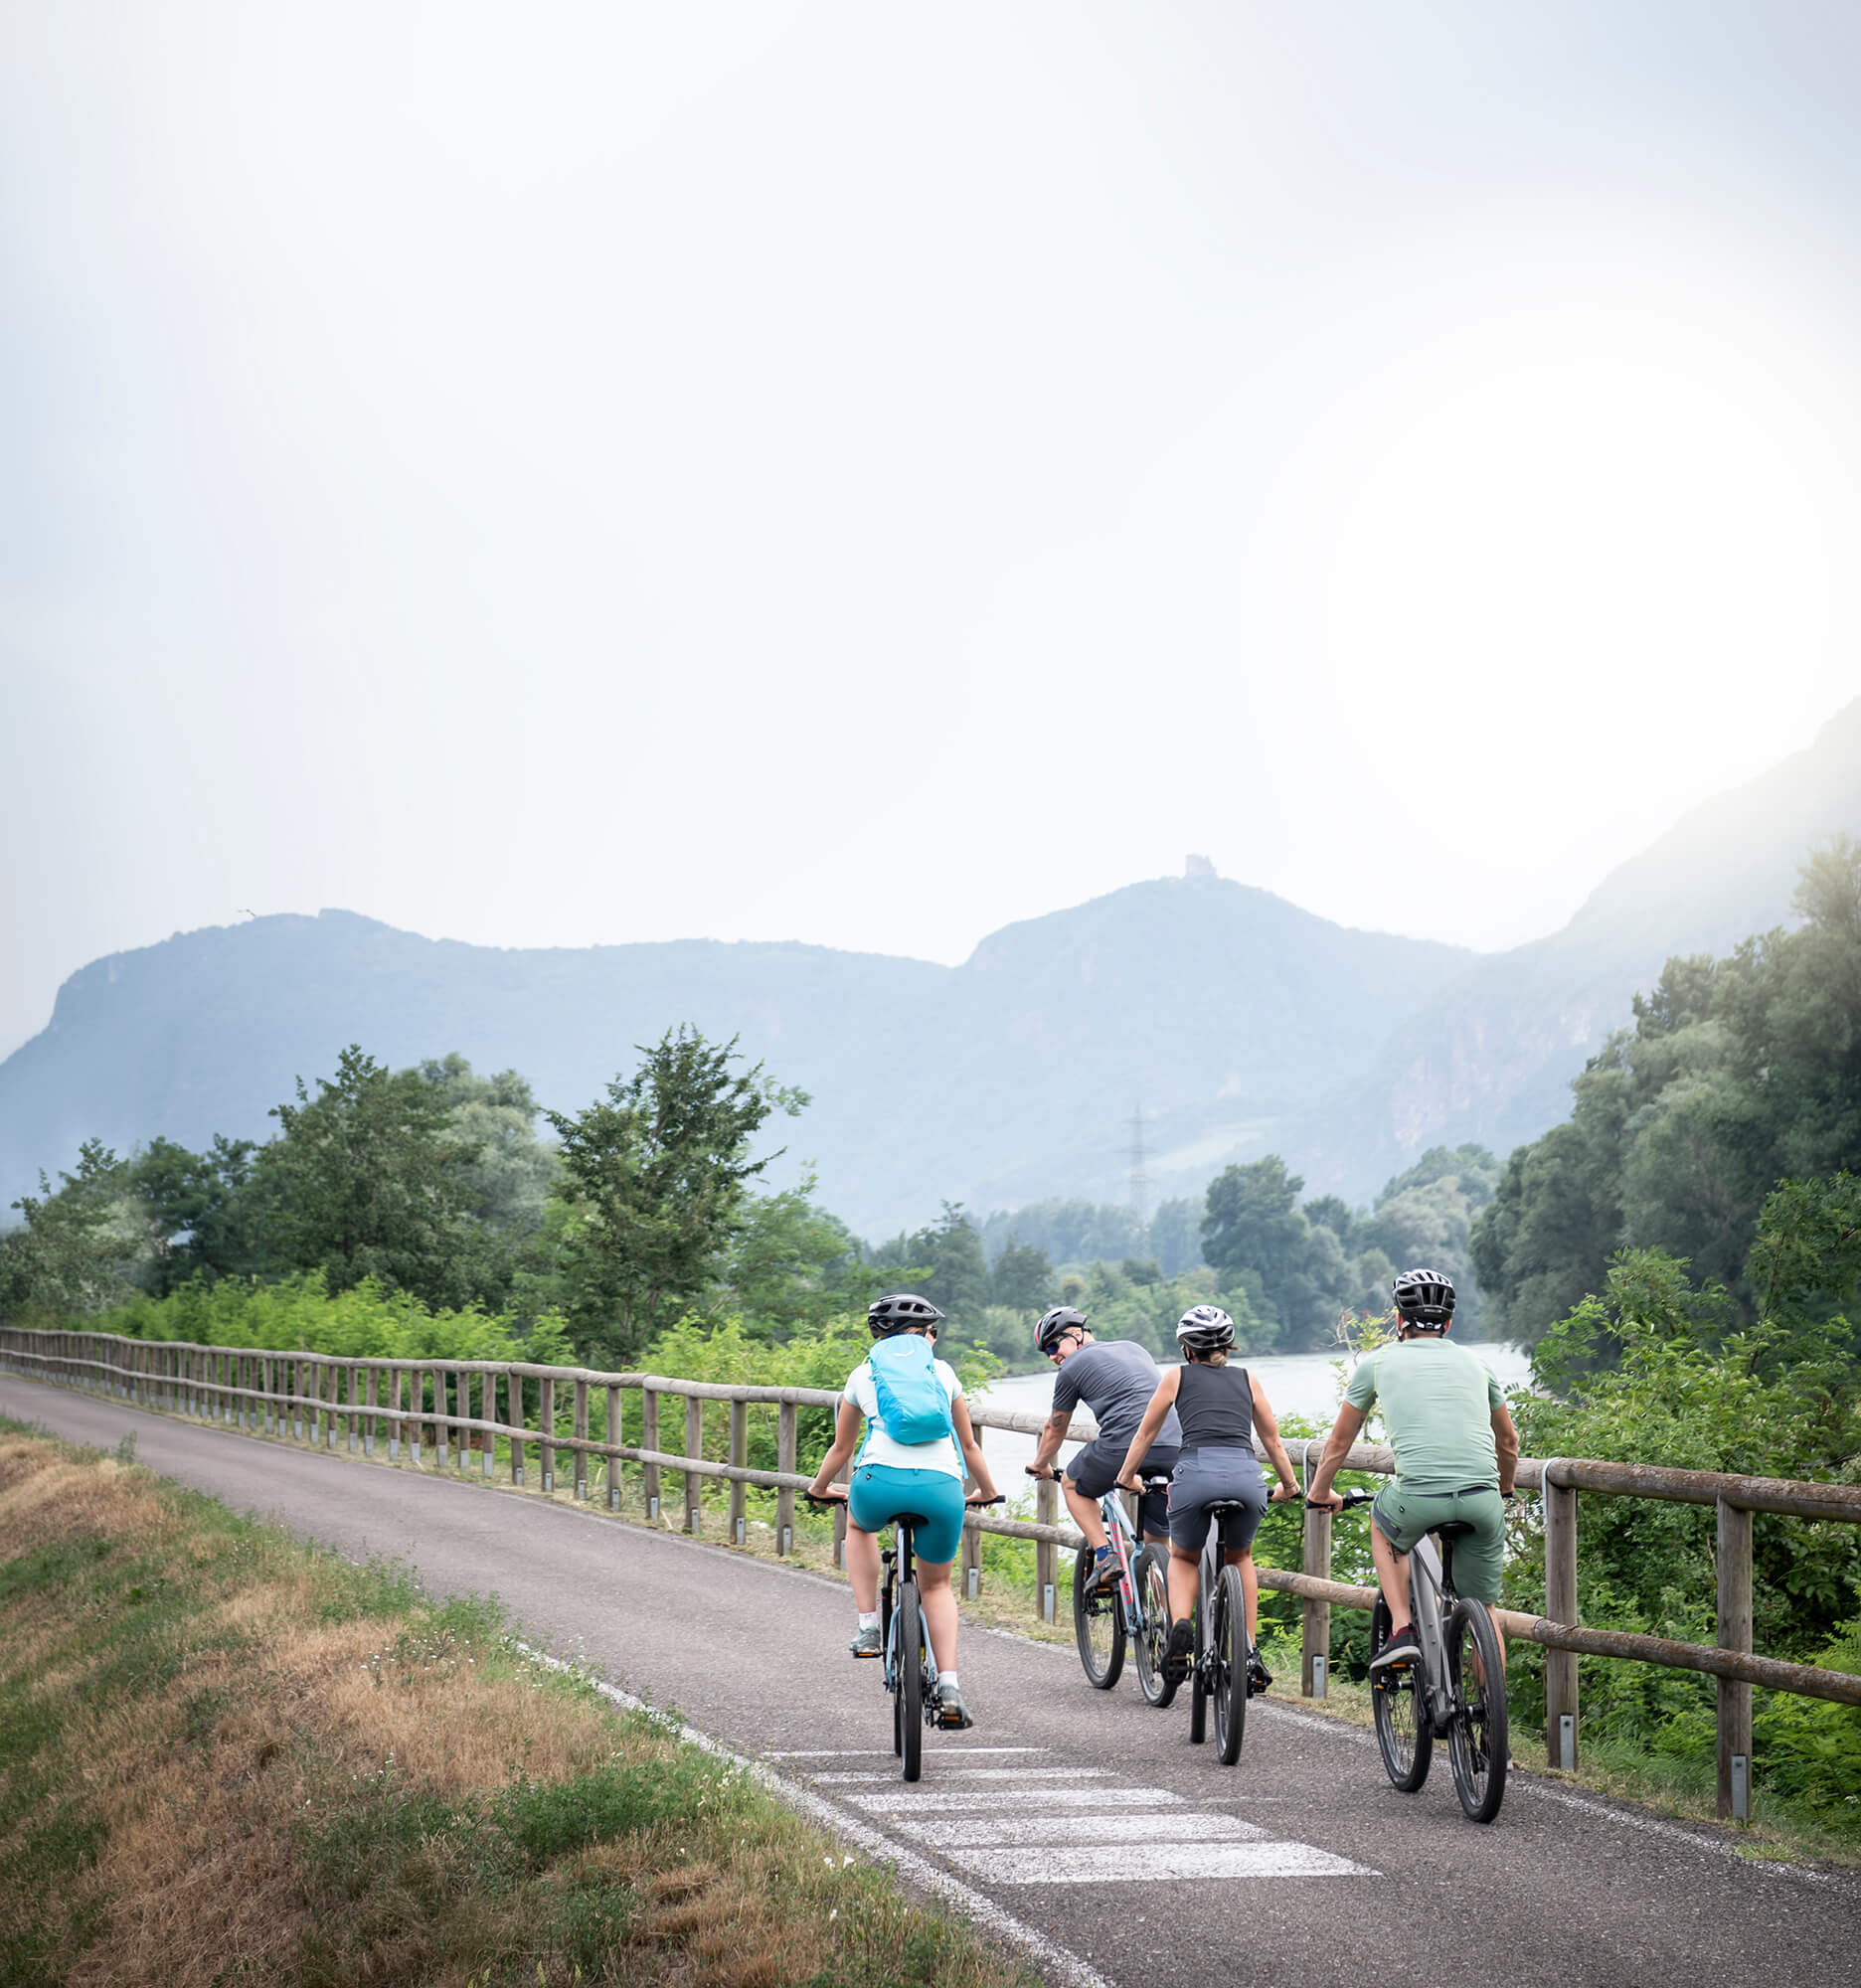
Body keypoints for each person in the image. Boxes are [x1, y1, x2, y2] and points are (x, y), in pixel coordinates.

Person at [1304, 1267, 1520, 1672]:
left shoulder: (1379, 1363)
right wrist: (1504, 1490)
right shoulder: (1478, 1364)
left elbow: (1338, 1443)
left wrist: (1319, 1493)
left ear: (1398, 1319)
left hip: (1418, 1497)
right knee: (1486, 1613)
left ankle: (1403, 1630)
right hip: (1483, 1500)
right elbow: (1508, 1442)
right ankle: (1491, 1730)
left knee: (1382, 1524)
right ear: (1449, 1323)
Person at [807, 1292, 1000, 1729]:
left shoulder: (862, 1374)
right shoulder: (944, 1372)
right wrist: (986, 1491)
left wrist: (819, 1488)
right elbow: (968, 1446)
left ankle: (869, 1625)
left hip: (879, 1484)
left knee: (858, 1525)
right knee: (937, 1588)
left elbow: (841, 1448)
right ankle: (949, 1685)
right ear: (925, 1335)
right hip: (942, 1487)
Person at [1115, 1305, 1300, 1686]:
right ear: (1228, 1347)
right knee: (1241, 1556)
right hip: (1246, 1477)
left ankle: (1181, 1628)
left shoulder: (1175, 1378)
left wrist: (1127, 1476)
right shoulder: (1248, 1379)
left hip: (1195, 1475)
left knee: (1183, 1556)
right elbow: (1272, 1440)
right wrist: (1291, 1485)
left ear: (1187, 1349)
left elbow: (1145, 1434)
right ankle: (1248, 1650)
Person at [1025, 1306, 1182, 1590]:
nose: (1051, 1356)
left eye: (1052, 1345)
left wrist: (1040, 1464)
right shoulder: (1134, 1348)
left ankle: (1105, 1556)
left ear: (1076, 1334)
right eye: (1045, 1352)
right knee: (1158, 1543)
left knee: (1072, 1483)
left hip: (1125, 1446)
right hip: (1174, 1445)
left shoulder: (1070, 1370)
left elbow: (1055, 1428)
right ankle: (1165, 1623)